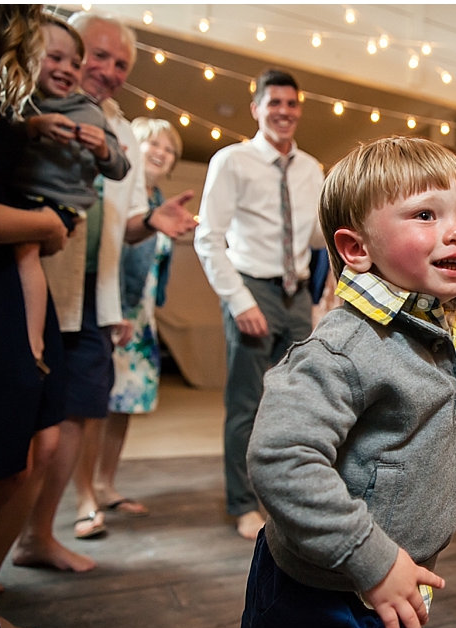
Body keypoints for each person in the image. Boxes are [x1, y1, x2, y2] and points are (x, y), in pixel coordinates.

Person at [236, 137, 456, 628]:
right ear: (357, 248)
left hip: (398, 572)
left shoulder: (428, 325)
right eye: (425, 214)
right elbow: (280, 460)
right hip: (321, 588)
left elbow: (432, 387)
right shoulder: (341, 349)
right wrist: (372, 559)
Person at [13, 10, 196, 567]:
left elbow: (120, 223)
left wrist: (151, 221)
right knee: (21, 418)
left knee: (82, 412)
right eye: (99, 56)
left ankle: (38, 536)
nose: (109, 71)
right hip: (29, 278)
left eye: (122, 64)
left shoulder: (118, 129)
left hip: (95, 294)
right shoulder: (27, 104)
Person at [194, 69, 326, 540]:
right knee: (246, 405)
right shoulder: (233, 161)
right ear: (257, 108)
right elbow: (208, 238)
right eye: (274, 103)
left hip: (297, 295)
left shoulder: (312, 168)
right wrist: (238, 300)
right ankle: (242, 504)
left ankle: (281, 496)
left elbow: (314, 236)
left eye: (292, 104)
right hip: (253, 287)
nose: (284, 112)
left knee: (292, 403)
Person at [0, 4, 65, 628]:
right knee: (5, 454)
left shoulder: (1, 90)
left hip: (15, 276)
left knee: (35, 439)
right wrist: (39, 226)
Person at [13, 15, 129, 374]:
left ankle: (33, 346)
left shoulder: (90, 112)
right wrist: (34, 128)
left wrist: (103, 150)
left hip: (61, 206)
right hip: (23, 198)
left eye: (74, 63)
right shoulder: (23, 104)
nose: (67, 69)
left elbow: (119, 166)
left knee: (26, 253)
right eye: (56, 58)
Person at [93, 118, 183, 519]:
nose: (162, 152)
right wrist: (117, 313)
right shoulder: (118, 198)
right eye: (154, 144)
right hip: (116, 311)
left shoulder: (161, 201)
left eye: (170, 148)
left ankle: (103, 483)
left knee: (124, 405)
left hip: (142, 316)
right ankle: (82, 490)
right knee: (96, 402)